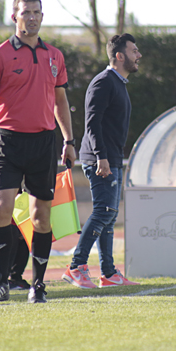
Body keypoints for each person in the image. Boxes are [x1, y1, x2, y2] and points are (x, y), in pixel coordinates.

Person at [0, 0, 77, 304]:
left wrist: (69, 141)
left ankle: (39, 285)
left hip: (44, 144)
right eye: (25, 12)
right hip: (7, 141)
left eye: (36, 12)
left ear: (42, 17)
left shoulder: (55, 56)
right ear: (14, 17)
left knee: (41, 217)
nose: (31, 17)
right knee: (3, 208)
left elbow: (61, 101)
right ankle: (1, 282)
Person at [63, 34, 141, 289]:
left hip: (112, 158)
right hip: (100, 159)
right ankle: (76, 266)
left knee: (109, 215)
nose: (138, 55)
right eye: (134, 51)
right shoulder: (104, 82)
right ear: (119, 56)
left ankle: (108, 273)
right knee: (103, 212)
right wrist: (101, 157)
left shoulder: (119, 83)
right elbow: (92, 123)